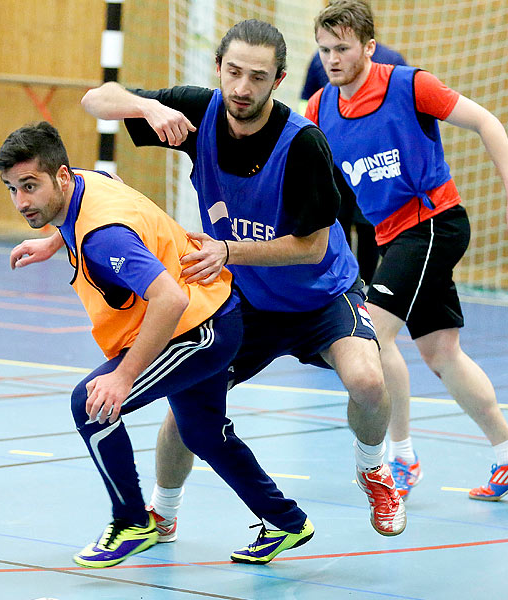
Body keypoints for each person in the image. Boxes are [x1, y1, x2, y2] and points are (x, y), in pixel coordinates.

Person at [81, 18, 406, 544]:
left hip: (320, 296)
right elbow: (97, 99)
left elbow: (313, 248)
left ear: (278, 81)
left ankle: (374, 468)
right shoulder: (198, 110)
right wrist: (148, 106)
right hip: (245, 301)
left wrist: (228, 250)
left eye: (257, 77)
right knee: (187, 403)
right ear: (218, 68)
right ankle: (162, 512)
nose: (241, 88)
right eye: (233, 72)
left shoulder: (304, 145)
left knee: (369, 383)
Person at [0, 121, 315, 568]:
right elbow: (111, 182)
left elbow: (170, 298)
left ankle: (131, 522)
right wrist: (53, 241)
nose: (21, 201)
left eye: (30, 187)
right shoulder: (85, 182)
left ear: (61, 176)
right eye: (12, 188)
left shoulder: (104, 237)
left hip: (199, 328)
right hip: (214, 311)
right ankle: (285, 520)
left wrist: (123, 378)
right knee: (203, 432)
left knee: (91, 403)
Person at [306, 0, 508, 501]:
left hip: (432, 224)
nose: (333, 59)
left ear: (368, 46)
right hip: (393, 236)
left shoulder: (408, 85)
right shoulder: (319, 108)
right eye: (324, 51)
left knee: (370, 335)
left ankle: (400, 455)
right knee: (442, 352)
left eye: (342, 48)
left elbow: (488, 122)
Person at [300, 38, 407, 285]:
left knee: (370, 225)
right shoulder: (319, 60)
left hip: (374, 165)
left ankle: (367, 287)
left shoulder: (392, 61)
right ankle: (346, 283)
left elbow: (401, 113)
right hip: (332, 163)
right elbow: (305, 101)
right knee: (337, 223)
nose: (333, 57)